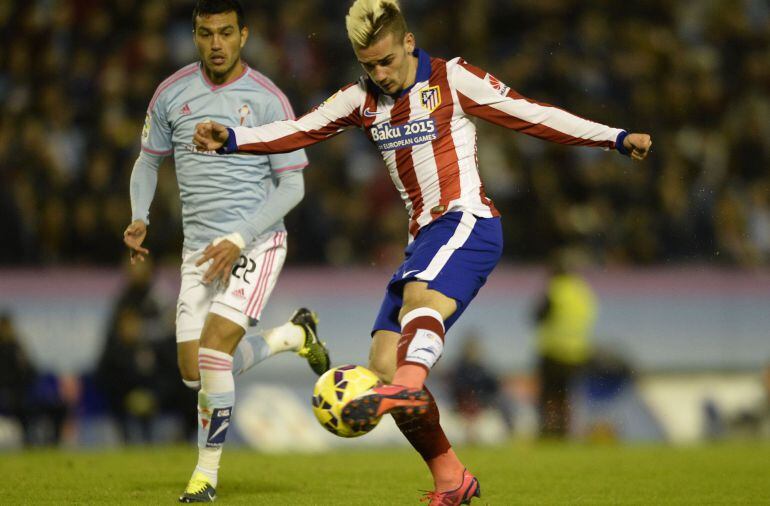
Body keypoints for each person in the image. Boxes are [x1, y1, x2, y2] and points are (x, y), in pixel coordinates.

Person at [193, 0, 652, 502]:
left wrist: (615, 137)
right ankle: (451, 477)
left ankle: (411, 383)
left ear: (408, 42)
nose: (380, 73)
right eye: (368, 65)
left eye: (386, 61)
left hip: (467, 221)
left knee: (418, 302)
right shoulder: (360, 100)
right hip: (425, 237)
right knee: (384, 363)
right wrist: (234, 138)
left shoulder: (452, 79)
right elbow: (300, 129)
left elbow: (531, 115)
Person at [122, 1, 331, 501]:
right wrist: (138, 216)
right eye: (205, 33)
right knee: (195, 372)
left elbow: (292, 188)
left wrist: (238, 238)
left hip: (255, 242)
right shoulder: (171, 93)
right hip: (199, 250)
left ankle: (205, 478)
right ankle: (291, 336)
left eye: (225, 33)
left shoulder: (268, 100)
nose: (216, 43)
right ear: (194, 36)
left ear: (244, 36)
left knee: (216, 351)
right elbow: (147, 162)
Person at [532, 256, 598, 438]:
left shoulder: (555, 289)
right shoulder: (583, 290)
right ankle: (567, 432)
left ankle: (549, 431)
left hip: (554, 351)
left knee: (550, 394)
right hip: (578, 353)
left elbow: (538, 315)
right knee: (568, 396)